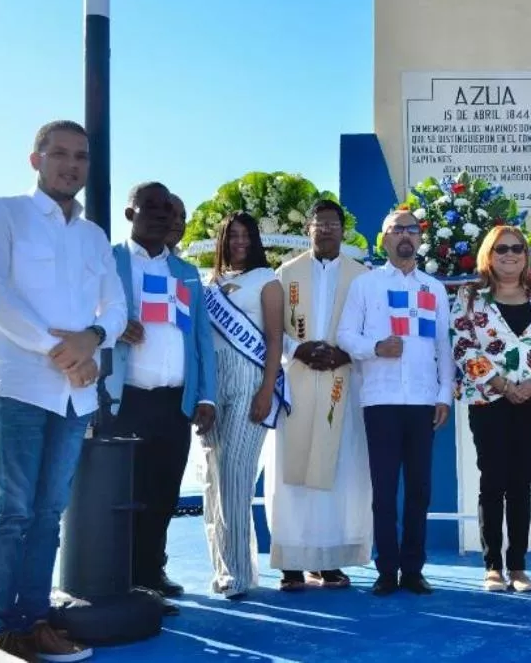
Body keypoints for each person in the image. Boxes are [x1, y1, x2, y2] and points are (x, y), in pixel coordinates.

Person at [0, 119, 126, 661]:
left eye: (80, 156)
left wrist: (94, 339)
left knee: (48, 511)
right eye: (59, 154)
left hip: (75, 393)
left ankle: (34, 621)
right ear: (35, 160)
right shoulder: (3, 212)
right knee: (13, 510)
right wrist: (62, 352)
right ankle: (5, 628)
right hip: (21, 385)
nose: (71, 165)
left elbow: (116, 306)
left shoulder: (94, 236)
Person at [106, 182, 217, 599]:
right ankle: (119, 579)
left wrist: (205, 397)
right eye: (149, 206)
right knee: (124, 495)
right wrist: (114, 327)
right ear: (129, 213)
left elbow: (202, 340)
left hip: (175, 403)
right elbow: (85, 311)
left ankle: (151, 575)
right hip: (125, 400)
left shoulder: (186, 273)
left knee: (163, 494)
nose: (160, 214)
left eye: (167, 208)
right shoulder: (110, 260)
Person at [336, 210, 454, 596]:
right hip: (381, 400)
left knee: (419, 489)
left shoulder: (434, 289)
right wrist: (375, 348)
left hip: (422, 400)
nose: (405, 236)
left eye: (411, 229)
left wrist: (443, 395)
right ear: (383, 239)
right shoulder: (366, 285)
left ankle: (414, 569)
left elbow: (443, 346)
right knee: (384, 490)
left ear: (420, 239)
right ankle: (386, 570)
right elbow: (345, 336)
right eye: (396, 230)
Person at [451, 225, 531, 593]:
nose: (510, 254)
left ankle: (517, 566)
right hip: (490, 399)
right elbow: (462, 343)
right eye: (501, 249)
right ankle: (492, 567)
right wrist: (501, 384)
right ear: (489, 253)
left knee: (521, 482)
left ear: (526, 254)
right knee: (493, 480)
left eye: (517, 248)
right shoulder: (471, 295)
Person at [265, 200, 372, 591]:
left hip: (342, 379)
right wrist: (297, 350)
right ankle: (292, 560)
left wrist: (347, 352)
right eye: (319, 223)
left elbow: (369, 324)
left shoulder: (361, 276)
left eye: (333, 224)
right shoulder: (287, 273)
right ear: (308, 228)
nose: (326, 230)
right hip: (298, 377)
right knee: (291, 471)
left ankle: (328, 560)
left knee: (338, 468)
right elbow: (273, 324)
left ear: (344, 230)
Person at [200, 212, 288, 599]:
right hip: (213, 382)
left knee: (236, 472)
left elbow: (274, 339)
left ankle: (236, 572)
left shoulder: (266, 280)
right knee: (213, 477)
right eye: (232, 236)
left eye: (245, 235)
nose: (239, 242)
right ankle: (224, 566)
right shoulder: (209, 283)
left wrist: (267, 389)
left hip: (251, 379)